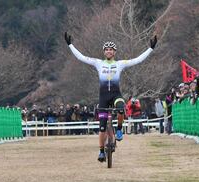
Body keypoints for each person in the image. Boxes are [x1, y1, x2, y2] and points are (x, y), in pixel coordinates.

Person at [64, 32, 157, 162]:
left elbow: (137, 60)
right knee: (102, 127)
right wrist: (70, 45)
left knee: (120, 107)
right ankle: (101, 151)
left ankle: (119, 129)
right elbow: (81, 57)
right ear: (104, 52)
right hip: (103, 98)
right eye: (106, 50)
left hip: (115, 95)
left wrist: (150, 48)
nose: (108, 51)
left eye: (111, 50)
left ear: (114, 52)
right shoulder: (98, 63)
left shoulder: (120, 64)